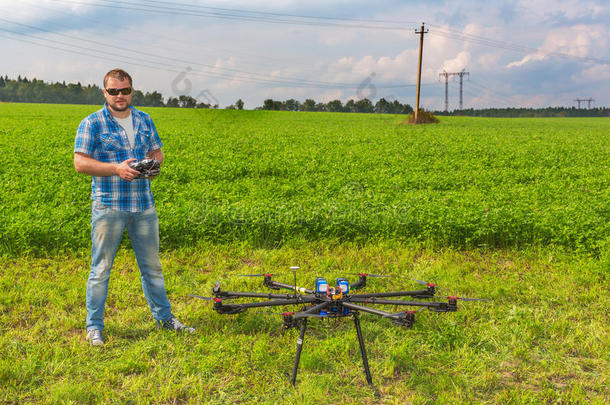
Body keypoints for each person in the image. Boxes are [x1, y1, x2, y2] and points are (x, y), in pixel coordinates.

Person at [74, 68, 194, 346]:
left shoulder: (144, 119)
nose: (120, 95)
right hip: (109, 206)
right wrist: (116, 168)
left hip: (143, 205)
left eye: (124, 90)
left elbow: (157, 152)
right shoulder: (92, 123)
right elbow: (80, 163)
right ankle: (94, 327)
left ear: (131, 91)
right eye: (113, 91)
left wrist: (154, 165)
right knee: (101, 268)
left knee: (152, 266)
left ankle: (165, 319)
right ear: (105, 92)